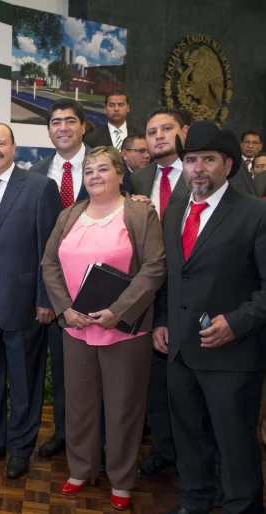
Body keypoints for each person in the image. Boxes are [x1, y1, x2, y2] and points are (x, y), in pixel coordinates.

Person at [42, 146, 166, 510]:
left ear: (120, 174)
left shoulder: (140, 212)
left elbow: (155, 268)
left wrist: (118, 310)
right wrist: (65, 309)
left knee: (123, 407)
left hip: (124, 329)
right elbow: (49, 263)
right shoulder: (70, 214)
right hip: (77, 327)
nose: (94, 176)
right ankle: (81, 469)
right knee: (79, 404)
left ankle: (122, 479)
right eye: (89, 171)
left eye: (102, 169)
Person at [156, 121, 266, 514]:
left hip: (231, 356)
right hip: (180, 352)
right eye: (190, 160)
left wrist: (236, 323)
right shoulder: (173, 213)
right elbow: (173, 276)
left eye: (208, 159)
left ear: (229, 164)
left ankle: (240, 508)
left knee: (234, 446)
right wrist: (161, 322)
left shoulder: (255, 213)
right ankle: (194, 502)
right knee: (189, 439)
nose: (197, 168)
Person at [29, 99, 132, 461]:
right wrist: (50, 297)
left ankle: (106, 443)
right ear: (49, 130)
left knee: (111, 379)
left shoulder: (107, 165)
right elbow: (42, 244)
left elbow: (129, 213)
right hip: (62, 296)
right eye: (55, 122)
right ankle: (66, 434)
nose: (62, 128)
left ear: (83, 126)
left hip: (108, 296)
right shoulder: (37, 172)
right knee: (67, 373)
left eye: (70, 121)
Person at [0, 122, 61, 478]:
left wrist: (45, 298)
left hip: (25, 305)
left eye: (0, 143)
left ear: (14, 147)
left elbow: (50, 251)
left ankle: (20, 447)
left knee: (24, 382)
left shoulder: (39, 188)